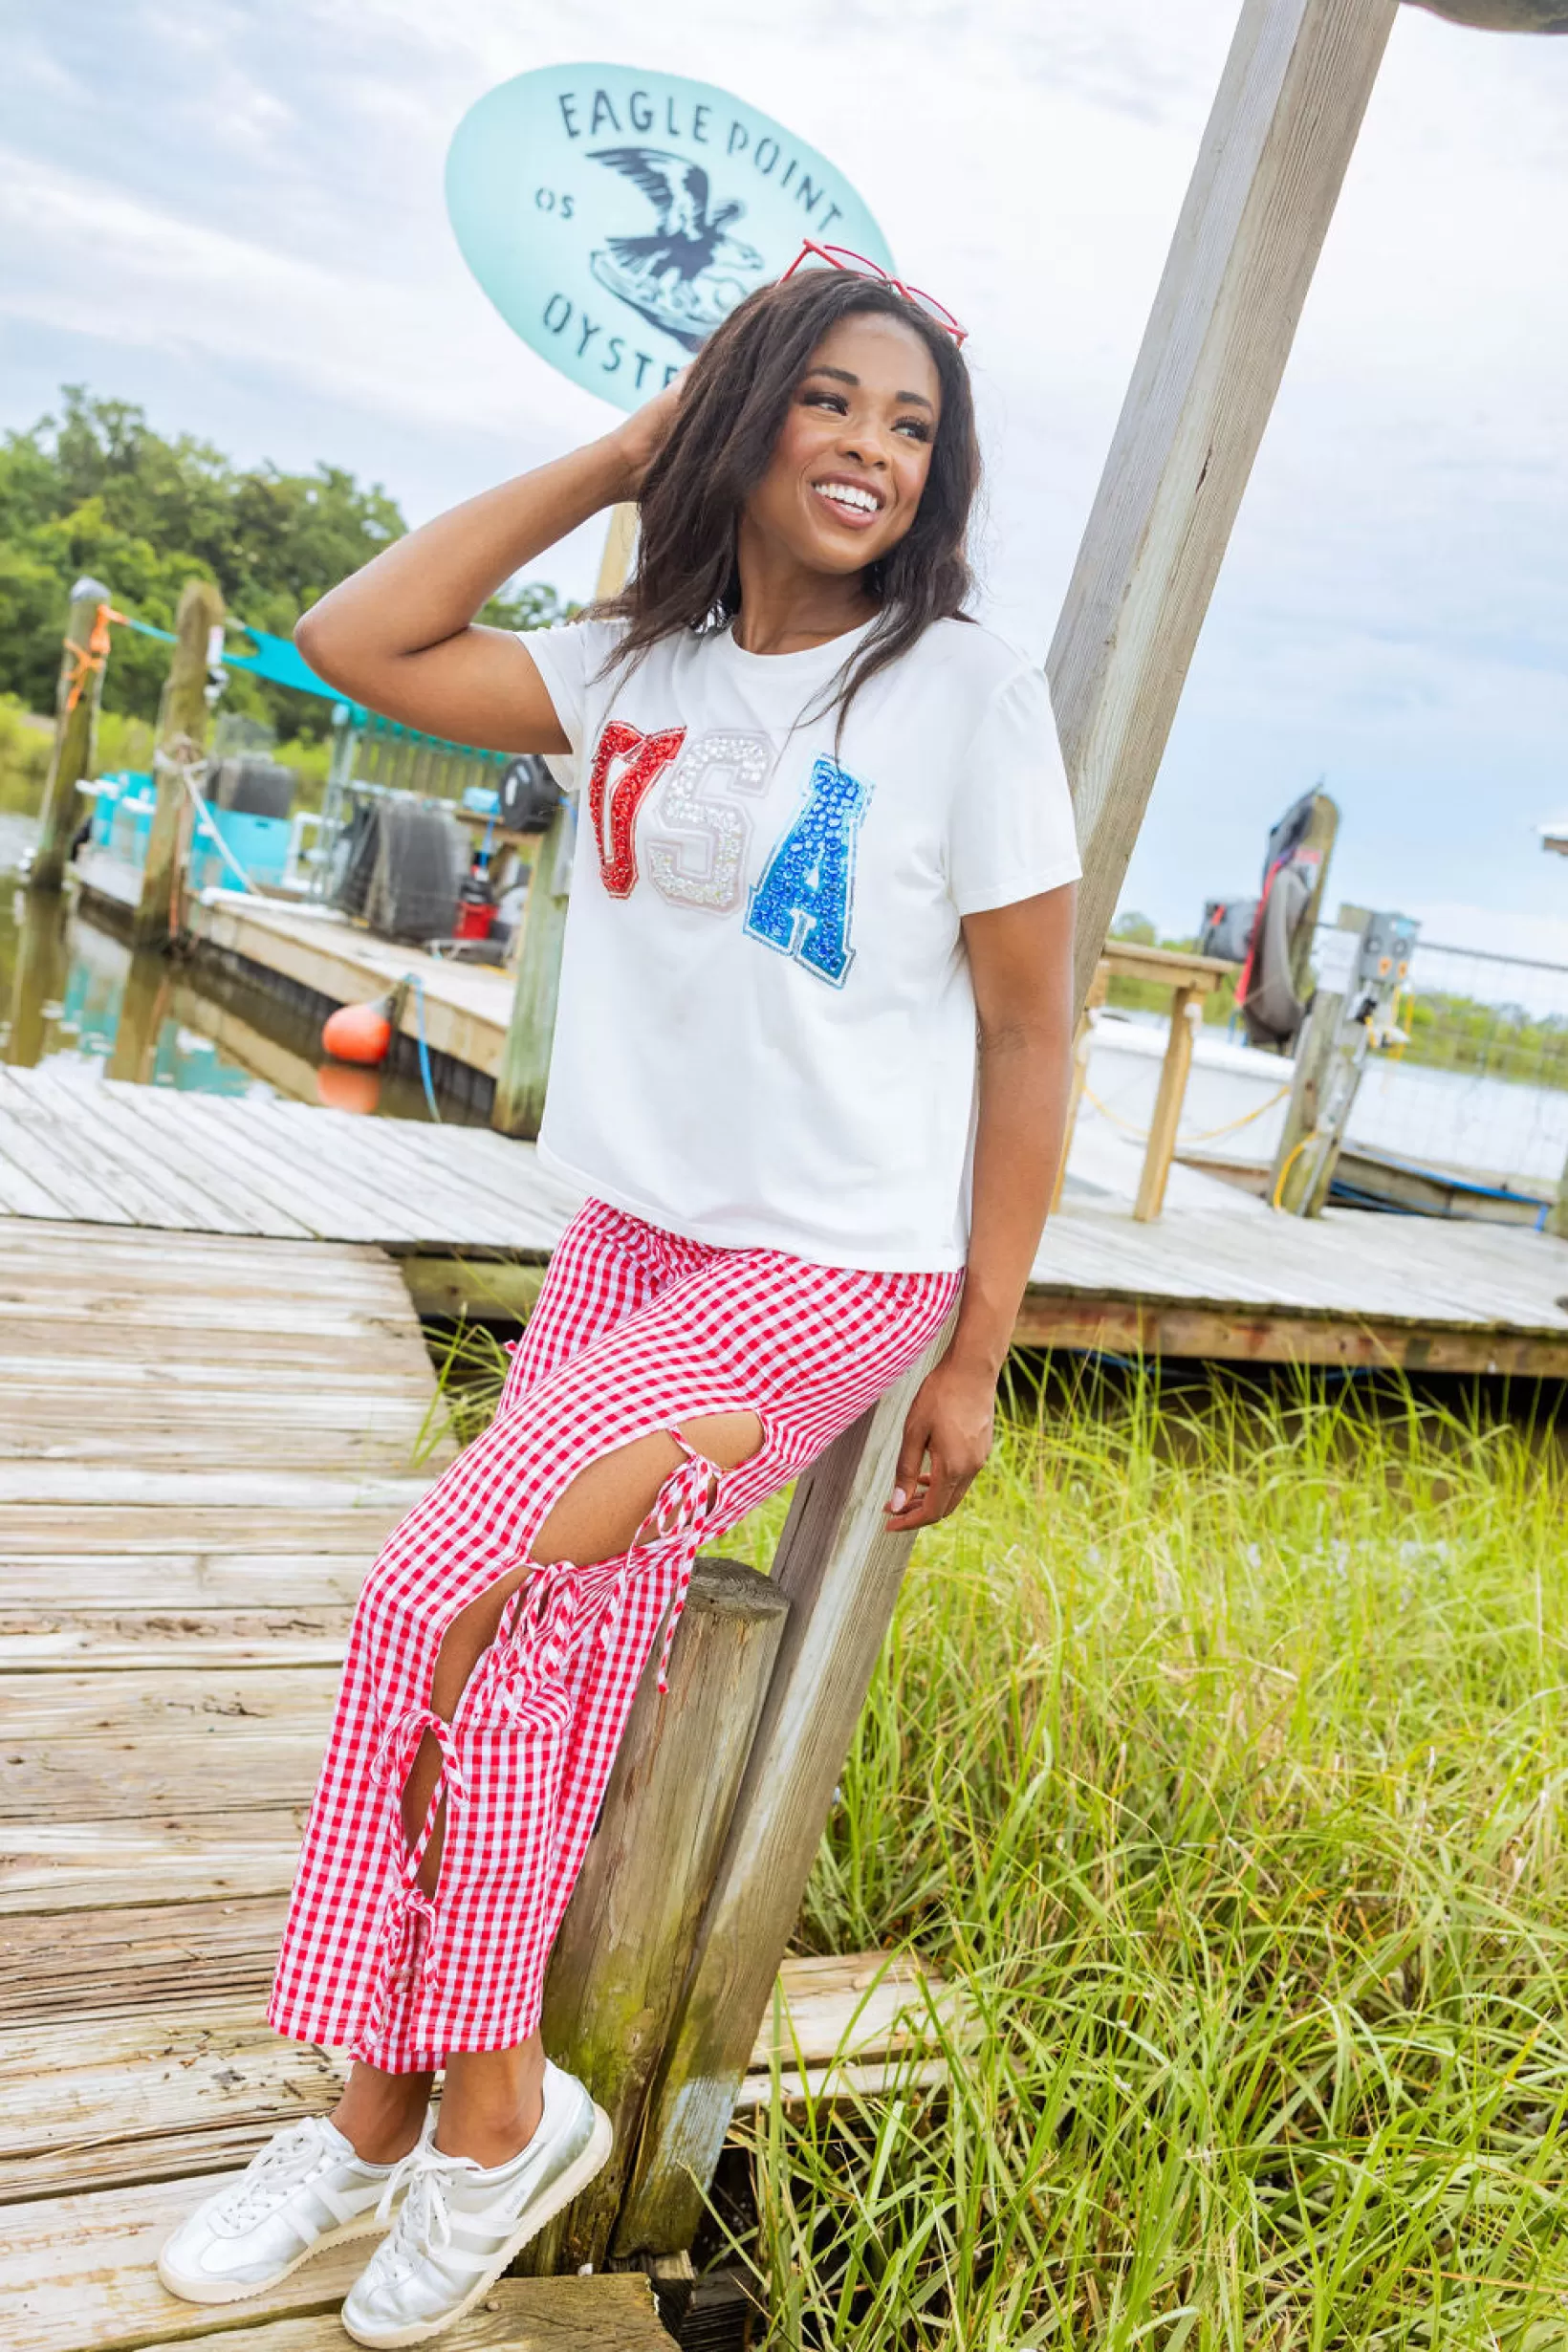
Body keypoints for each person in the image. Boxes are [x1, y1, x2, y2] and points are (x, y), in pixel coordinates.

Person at [156, 252, 1080, 2347]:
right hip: (630, 1237)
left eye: (911, 423)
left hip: (824, 1270)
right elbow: (352, 635)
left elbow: (1032, 1037)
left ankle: (481, 2112)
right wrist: (617, 450)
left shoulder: (960, 695)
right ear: (744, 418)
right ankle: (401, 2112)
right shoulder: (628, 664)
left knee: (431, 1592)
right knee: (538, 1652)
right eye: (829, 401)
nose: (869, 446)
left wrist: (983, 1343)